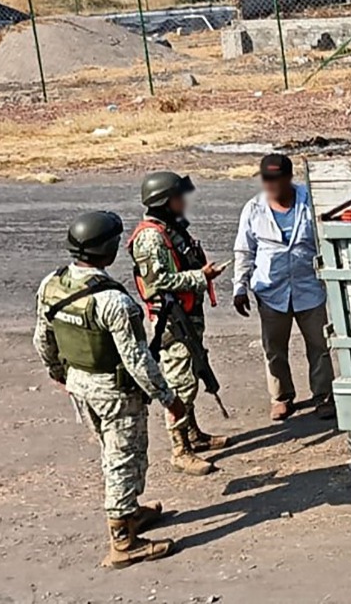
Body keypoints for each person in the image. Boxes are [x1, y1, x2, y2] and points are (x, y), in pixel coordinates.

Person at [34, 211, 187, 567]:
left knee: (110, 451)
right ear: (109, 250)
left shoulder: (52, 285)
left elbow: (43, 338)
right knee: (124, 459)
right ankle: (123, 541)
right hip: (116, 394)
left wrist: (58, 373)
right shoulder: (114, 302)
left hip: (80, 386)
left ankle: (130, 512)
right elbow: (137, 360)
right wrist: (169, 399)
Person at [129, 170, 230, 475]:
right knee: (180, 383)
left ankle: (194, 435)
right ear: (163, 201)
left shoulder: (171, 229)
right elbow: (157, 282)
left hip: (186, 315)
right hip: (172, 321)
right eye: (177, 197)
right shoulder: (150, 237)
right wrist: (202, 277)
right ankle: (180, 450)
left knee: (192, 371)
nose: (183, 202)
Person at [233, 153, 336, 422]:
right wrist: (239, 287)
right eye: (266, 180)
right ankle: (281, 397)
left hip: (308, 287)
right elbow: (244, 249)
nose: (270, 186)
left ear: (288, 178)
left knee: (319, 344)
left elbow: (327, 239)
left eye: (276, 180)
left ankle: (323, 396)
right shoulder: (253, 208)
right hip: (271, 290)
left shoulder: (310, 202)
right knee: (274, 347)